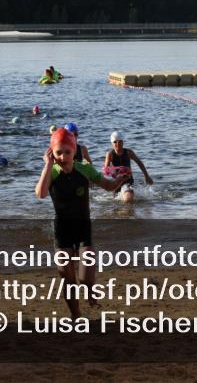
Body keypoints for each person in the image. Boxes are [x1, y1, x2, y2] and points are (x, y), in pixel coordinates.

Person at [35, 127, 127, 318]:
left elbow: (107, 185)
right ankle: (76, 315)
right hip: (62, 230)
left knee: (85, 280)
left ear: (74, 150)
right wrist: (47, 165)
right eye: (58, 153)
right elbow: (41, 193)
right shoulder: (52, 172)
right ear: (52, 153)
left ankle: (90, 293)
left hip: (83, 228)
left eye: (67, 152)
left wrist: (119, 180)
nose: (63, 157)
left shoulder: (84, 169)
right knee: (68, 280)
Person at [103, 131, 154, 203]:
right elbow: (106, 170)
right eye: (115, 142)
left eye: (120, 141)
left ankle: (131, 208)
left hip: (128, 180)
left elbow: (139, 163)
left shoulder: (128, 152)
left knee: (128, 199)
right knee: (117, 202)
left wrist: (146, 176)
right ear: (112, 143)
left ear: (123, 142)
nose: (118, 144)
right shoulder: (110, 154)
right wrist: (117, 170)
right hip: (116, 182)